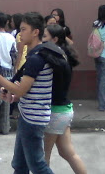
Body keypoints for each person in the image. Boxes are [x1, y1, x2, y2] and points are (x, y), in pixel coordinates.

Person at [0, 12, 54, 174]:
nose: (19, 33)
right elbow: (25, 91)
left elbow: (21, 90)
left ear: (35, 32)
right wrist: (13, 96)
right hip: (27, 115)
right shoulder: (35, 55)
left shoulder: (37, 58)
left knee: (37, 166)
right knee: (20, 165)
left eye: (23, 29)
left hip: (33, 119)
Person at [42, 24, 87, 174]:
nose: (42, 40)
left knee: (44, 157)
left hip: (56, 112)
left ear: (54, 39)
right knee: (67, 153)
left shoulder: (54, 59)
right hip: (65, 110)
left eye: (44, 37)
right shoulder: (63, 56)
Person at [0, 13, 17, 134]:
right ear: (6, 23)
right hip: (9, 72)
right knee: (6, 100)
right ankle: (5, 127)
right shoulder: (11, 37)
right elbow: (14, 55)